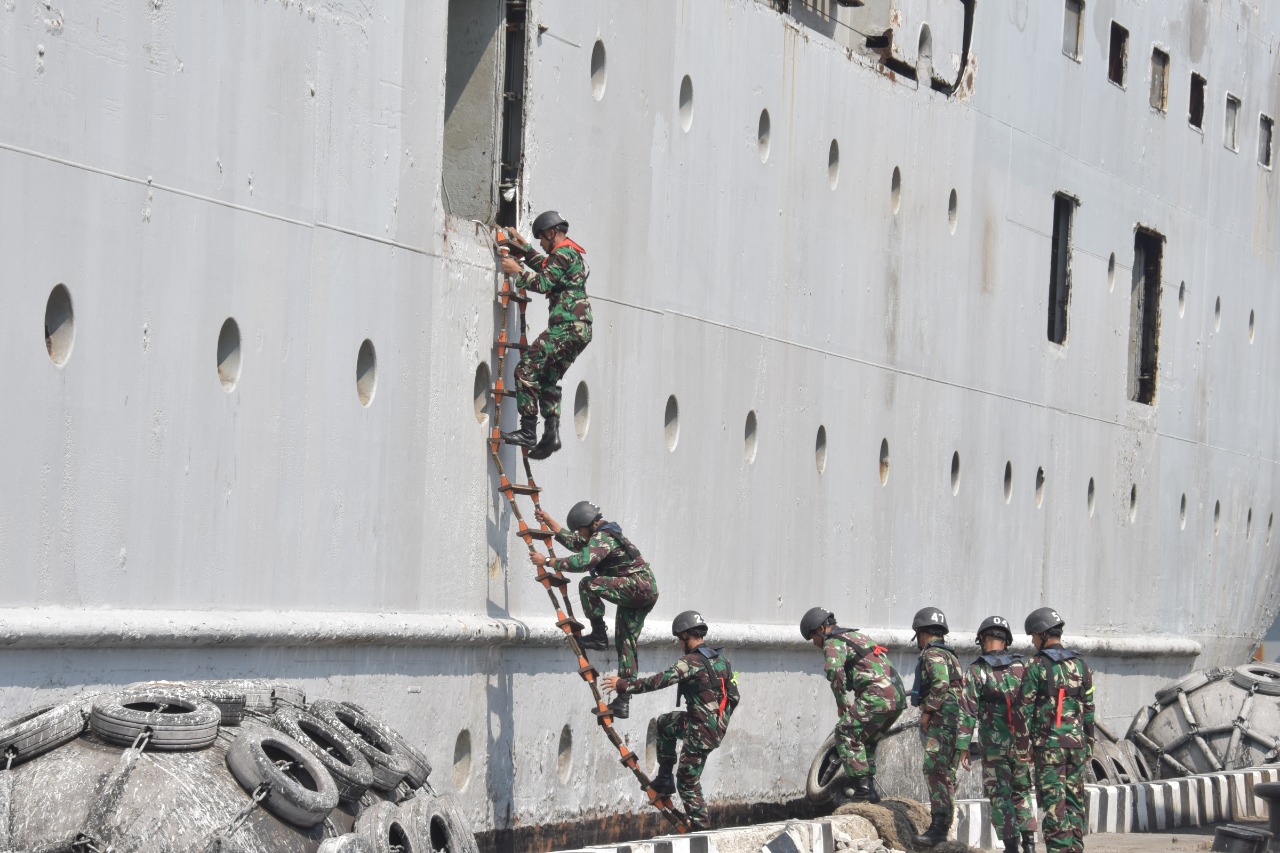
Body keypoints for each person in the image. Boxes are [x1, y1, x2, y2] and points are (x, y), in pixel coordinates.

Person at [602, 611, 739, 831]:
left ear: (685, 635)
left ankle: (701, 829)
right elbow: (735, 697)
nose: (678, 644)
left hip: (699, 731)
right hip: (713, 727)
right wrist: (718, 721)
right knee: (665, 723)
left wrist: (623, 685)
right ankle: (664, 778)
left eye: (679, 639)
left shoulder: (691, 662)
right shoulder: (722, 661)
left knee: (687, 782)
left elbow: (659, 681)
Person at [532, 500, 658, 718]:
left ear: (588, 524)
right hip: (645, 591)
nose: (580, 534)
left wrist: (547, 562)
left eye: (581, 529)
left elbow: (582, 562)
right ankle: (623, 701)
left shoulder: (603, 537)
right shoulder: (601, 534)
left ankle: (599, 634)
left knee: (588, 585)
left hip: (637, 587)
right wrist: (550, 521)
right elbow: (577, 543)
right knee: (626, 643)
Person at [498, 210, 591, 460]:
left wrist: (516, 270)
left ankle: (528, 431)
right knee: (548, 378)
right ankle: (551, 434)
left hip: (567, 327)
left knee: (525, 370)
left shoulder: (561, 253)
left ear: (552, 233)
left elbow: (543, 283)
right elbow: (546, 267)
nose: (541, 242)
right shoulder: (568, 254)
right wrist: (525, 248)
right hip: (580, 331)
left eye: (541, 238)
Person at [800, 607, 905, 804]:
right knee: (866, 739)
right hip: (896, 698)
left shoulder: (832, 642)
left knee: (845, 733)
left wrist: (842, 703)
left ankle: (863, 790)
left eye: (813, 637)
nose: (815, 643)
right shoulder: (857, 636)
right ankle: (869, 791)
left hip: (878, 695)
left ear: (822, 628)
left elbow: (835, 672)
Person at [956, 615, 1037, 853]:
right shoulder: (1023, 667)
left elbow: (967, 711)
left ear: (982, 639)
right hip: (1022, 745)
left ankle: (1011, 847)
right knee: (1021, 792)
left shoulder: (976, 670)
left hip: (993, 748)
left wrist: (963, 746)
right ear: (1007, 640)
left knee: (1000, 796)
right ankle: (1030, 845)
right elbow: (1035, 706)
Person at [1016, 607, 1094, 853]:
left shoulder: (1036, 665)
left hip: (1049, 749)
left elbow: (1023, 711)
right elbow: (1089, 709)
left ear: (1042, 634)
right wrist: (1089, 744)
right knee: (1074, 804)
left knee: (1054, 807)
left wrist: (1022, 748)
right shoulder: (1082, 666)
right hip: (1077, 747)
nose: (1031, 641)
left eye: (1033, 636)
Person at [909, 606, 963, 848]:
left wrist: (928, 711)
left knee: (935, 771)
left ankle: (938, 828)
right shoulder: (949, 654)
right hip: (952, 720)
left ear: (922, 632)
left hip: (942, 720)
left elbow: (940, 684)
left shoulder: (932, 654)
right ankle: (942, 825)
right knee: (945, 773)